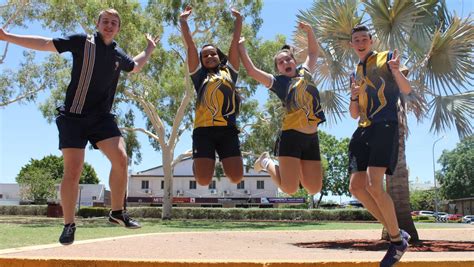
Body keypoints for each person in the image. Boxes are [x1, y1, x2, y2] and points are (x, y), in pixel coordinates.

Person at [0, 8, 158, 245]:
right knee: (73, 171)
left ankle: (117, 213)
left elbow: (135, 66)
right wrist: (7, 36)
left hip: (102, 118)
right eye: (105, 21)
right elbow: (45, 43)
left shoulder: (117, 54)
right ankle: (69, 224)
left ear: (118, 28)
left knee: (122, 158)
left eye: (114, 22)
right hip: (73, 117)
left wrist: (149, 49)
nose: (109, 25)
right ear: (97, 24)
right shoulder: (81, 42)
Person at [347, 24, 412, 267]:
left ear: (371, 41)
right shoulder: (355, 72)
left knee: (375, 184)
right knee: (356, 187)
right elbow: (354, 114)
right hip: (362, 130)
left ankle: (396, 242)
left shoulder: (386, 59)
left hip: (385, 125)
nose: (361, 42)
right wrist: (353, 96)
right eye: (356, 39)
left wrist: (396, 71)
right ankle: (397, 236)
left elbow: (407, 89)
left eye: (365, 38)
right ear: (351, 44)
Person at [238, 21, 325, 196]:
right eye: (280, 62)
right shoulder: (278, 82)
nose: (285, 62)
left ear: (294, 61)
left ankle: (293, 167)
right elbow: (252, 71)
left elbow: (314, 52)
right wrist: (241, 47)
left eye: (288, 59)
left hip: (311, 137)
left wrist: (309, 31)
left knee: (314, 188)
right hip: (291, 136)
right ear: (278, 68)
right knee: (289, 188)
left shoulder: (305, 71)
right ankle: (266, 163)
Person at [179, 6, 244, 186]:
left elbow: (234, 42)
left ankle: (219, 158)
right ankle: (200, 161)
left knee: (236, 177)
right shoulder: (199, 76)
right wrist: (183, 22)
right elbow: (191, 46)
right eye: (205, 55)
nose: (209, 56)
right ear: (201, 60)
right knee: (202, 180)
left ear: (219, 56)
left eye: (212, 53)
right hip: (203, 131)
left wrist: (239, 20)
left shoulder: (230, 72)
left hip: (228, 130)